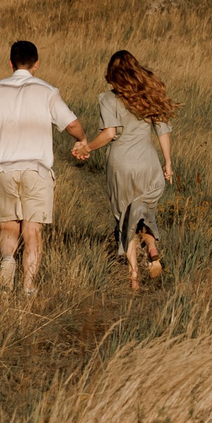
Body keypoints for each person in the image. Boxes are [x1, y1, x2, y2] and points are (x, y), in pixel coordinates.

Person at [0, 40, 88, 296]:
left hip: (2, 171)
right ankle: (28, 287)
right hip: (36, 170)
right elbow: (72, 124)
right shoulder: (47, 91)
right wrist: (82, 139)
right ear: (36, 64)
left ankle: (7, 261)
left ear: (10, 63)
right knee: (33, 230)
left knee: (8, 227)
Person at [75, 49, 176, 292]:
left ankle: (133, 278)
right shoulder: (149, 96)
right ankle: (152, 248)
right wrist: (168, 162)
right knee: (146, 213)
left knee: (125, 218)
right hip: (148, 162)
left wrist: (87, 147)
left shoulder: (108, 99)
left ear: (112, 74)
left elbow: (109, 134)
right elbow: (163, 131)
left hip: (121, 164)